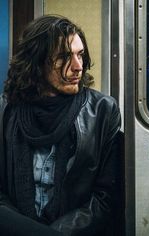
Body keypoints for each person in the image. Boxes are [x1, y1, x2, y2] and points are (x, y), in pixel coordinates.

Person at [0, 15, 121, 236]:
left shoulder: (103, 110)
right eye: (64, 57)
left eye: (80, 55)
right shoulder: (6, 111)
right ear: (37, 63)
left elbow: (105, 198)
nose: (78, 67)